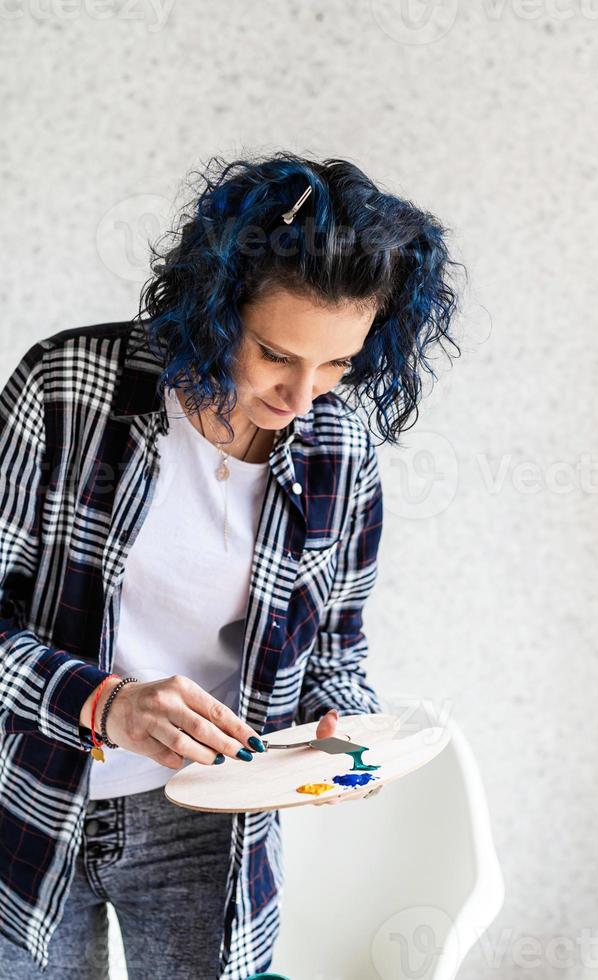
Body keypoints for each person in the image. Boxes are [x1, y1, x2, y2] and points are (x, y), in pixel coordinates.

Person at [0, 150, 463, 978]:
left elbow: (335, 652)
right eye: (277, 355)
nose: (303, 395)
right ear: (214, 308)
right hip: (27, 797)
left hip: (211, 819)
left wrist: (344, 729)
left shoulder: (340, 450)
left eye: (338, 364)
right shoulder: (68, 387)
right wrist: (103, 703)